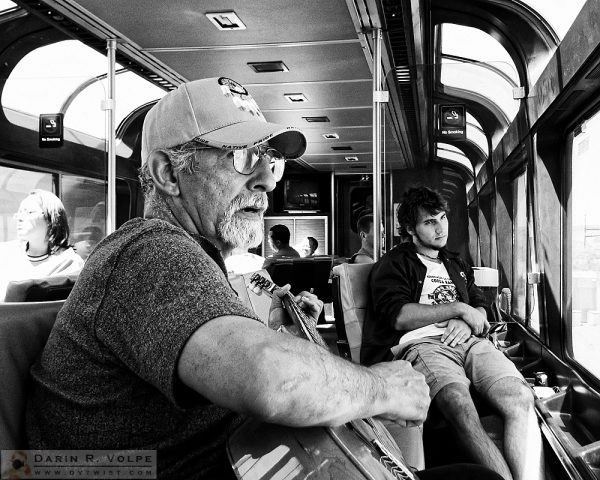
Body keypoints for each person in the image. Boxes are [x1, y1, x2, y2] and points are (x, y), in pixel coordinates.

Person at [26, 77, 502, 480]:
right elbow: (271, 380)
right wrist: (382, 386)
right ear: (168, 173)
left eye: (266, 158)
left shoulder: (196, 259)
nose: (267, 181)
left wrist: (277, 318)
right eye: (240, 158)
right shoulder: (147, 249)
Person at [362, 186, 544, 480]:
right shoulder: (394, 264)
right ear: (410, 228)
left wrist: (469, 318)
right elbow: (399, 316)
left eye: (443, 218)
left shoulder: (455, 263)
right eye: (429, 222)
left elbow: (480, 306)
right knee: (459, 405)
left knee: (521, 397)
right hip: (424, 343)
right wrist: (457, 309)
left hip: (471, 341)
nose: (440, 227)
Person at [0, 189, 84, 300]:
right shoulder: (5, 253)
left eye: (29, 212)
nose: (20, 218)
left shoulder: (69, 262)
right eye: (19, 212)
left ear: (50, 219)